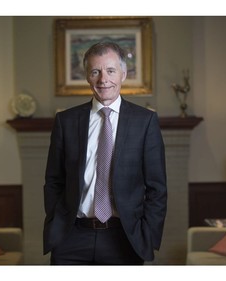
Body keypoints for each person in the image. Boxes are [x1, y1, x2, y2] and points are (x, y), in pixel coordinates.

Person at [43, 41, 167, 265]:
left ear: (123, 74)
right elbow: (53, 180)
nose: (103, 79)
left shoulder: (145, 122)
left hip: (125, 239)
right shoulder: (66, 121)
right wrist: (56, 222)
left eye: (110, 71)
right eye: (95, 72)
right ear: (87, 77)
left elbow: (157, 188)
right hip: (71, 238)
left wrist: (147, 235)